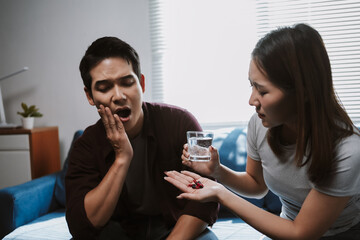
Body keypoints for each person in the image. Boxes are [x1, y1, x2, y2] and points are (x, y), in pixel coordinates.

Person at [164, 23, 360, 239]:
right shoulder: (260, 124)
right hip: (286, 226)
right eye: (252, 86)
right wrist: (218, 171)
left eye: (263, 91)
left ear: (303, 91)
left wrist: (220, 193)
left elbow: (300, 233)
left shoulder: (347, 151)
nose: (251, 101)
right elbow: (257, 186)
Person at [65, 36, 218, 240]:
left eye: (127, 82)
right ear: (90, 96)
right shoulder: (85, 146)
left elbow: (206, 197)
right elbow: (82, 224)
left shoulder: (182, 122)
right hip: (117, 233)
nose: (118, 95)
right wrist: (122, 158)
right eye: (104, 88)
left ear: (142, 83)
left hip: (175, 228)